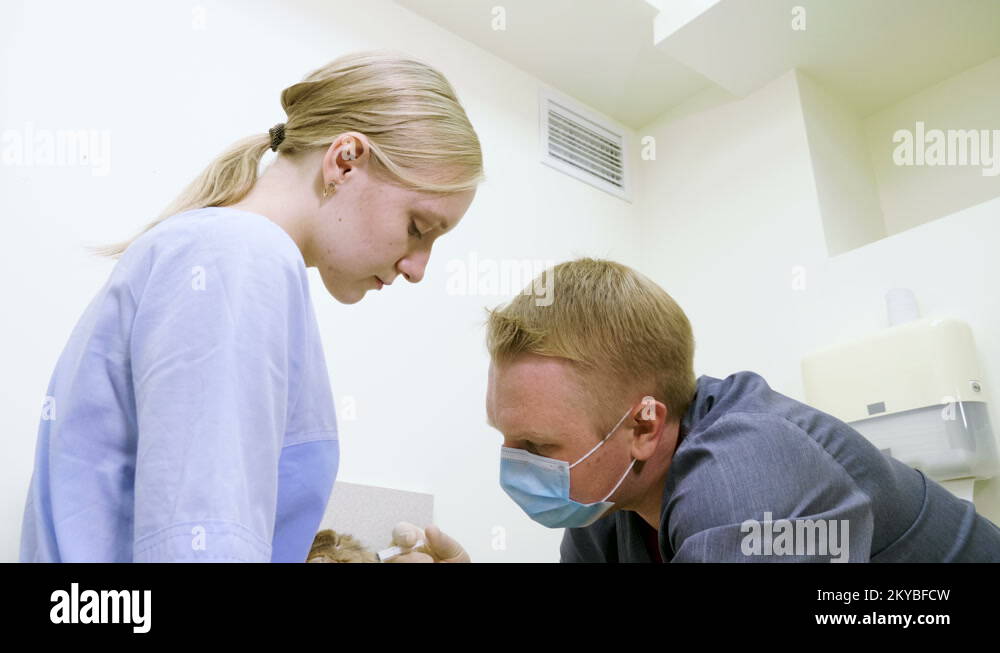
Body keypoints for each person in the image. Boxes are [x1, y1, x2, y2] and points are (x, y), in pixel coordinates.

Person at [19, 50, 483, 562]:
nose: (417, 269)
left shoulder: (225, 253)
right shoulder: (236, 255)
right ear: (345, 160)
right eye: (418, 229)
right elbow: (198, 544)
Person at [480, 257, 1000, 562]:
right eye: (505, 438)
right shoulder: (604, 502)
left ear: (644, 425)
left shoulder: (746, 476)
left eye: (539, 446)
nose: (513, 467)